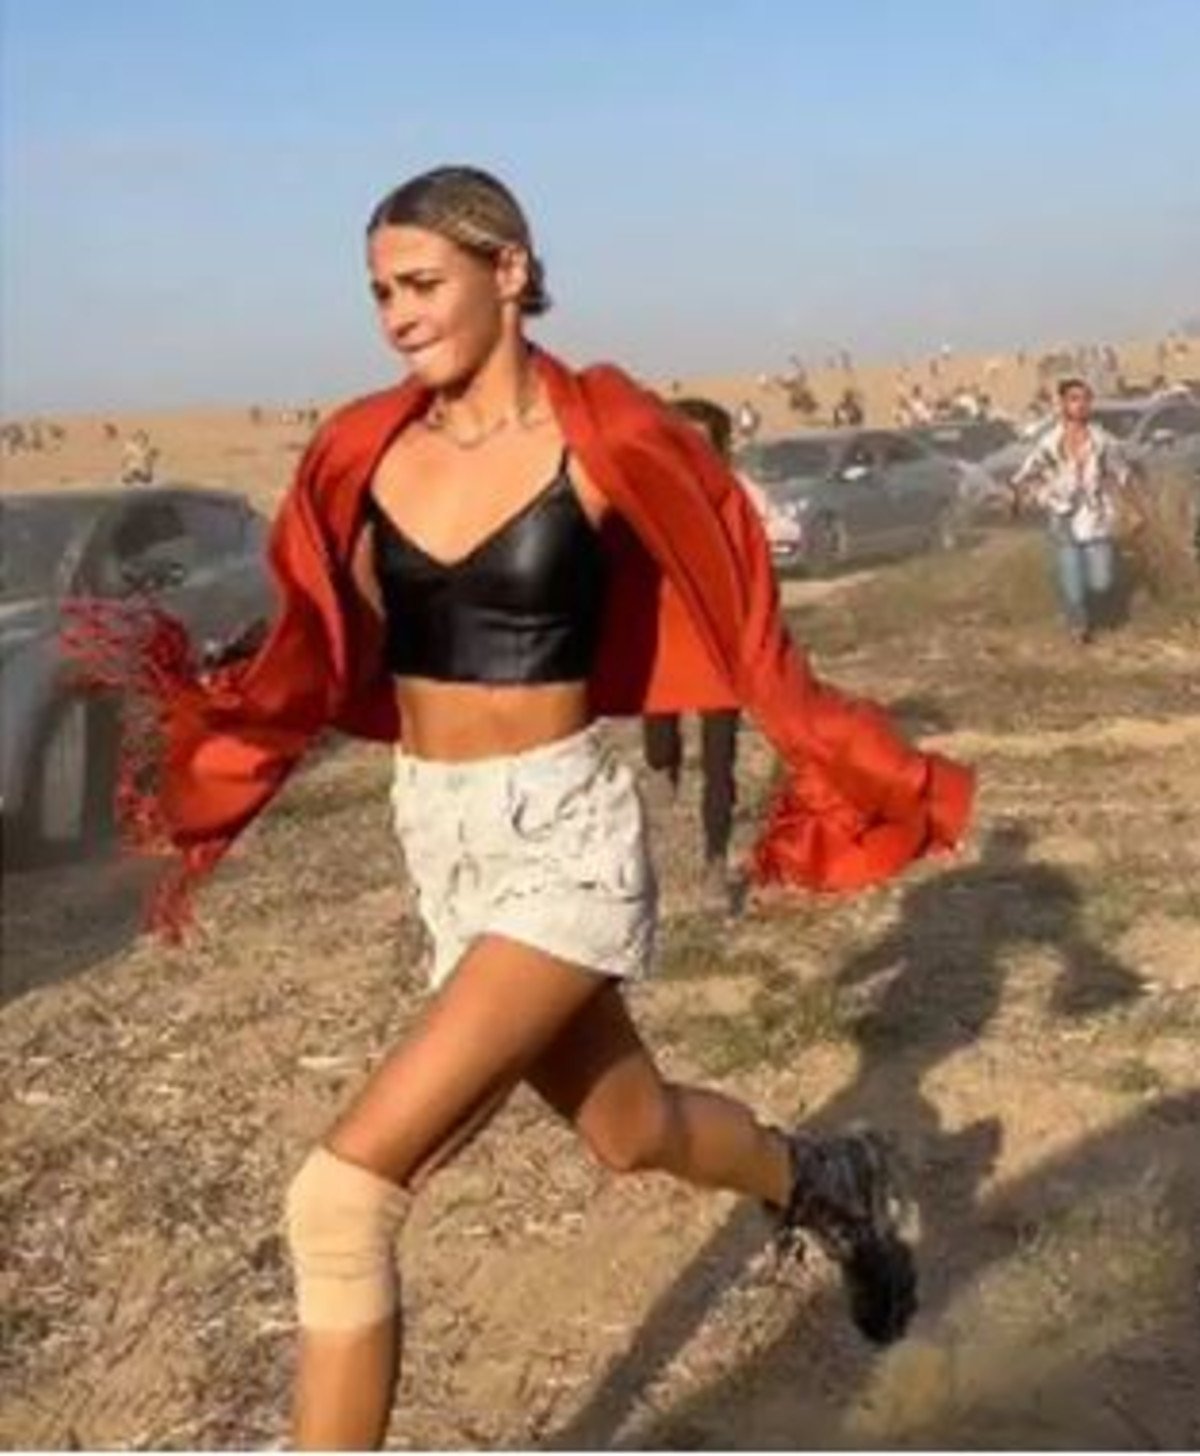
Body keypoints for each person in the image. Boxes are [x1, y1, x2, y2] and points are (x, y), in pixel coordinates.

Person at [65, 166, 973, 1450]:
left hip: (562, 842)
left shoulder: (601, 435)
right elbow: (322, 637)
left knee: (339, 1202)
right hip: (440, 836)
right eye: (380, 292)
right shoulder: (366, 450)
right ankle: (825, 1179)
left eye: (421, 283)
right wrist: (231, 712)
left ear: (510, 270)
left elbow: (733, 593)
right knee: (630, 1129)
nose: (397, 314)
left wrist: (836, 750)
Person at [641, 397, 743, 911]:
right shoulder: (645, 494)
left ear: (719, 448)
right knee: (659, 748)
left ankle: (715, 864)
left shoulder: (734, 499)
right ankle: (666, 778)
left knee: (719, 762)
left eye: (702, 442)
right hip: (662, 640)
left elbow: (753, 571)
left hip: (718, 644)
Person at [1011, 377, 1140, 644]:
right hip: (1062, 518)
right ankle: (1077, 624)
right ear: (1062, 403)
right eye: (1073, 399)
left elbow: (1122, 475)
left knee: (1100, 581)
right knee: (1072, 583)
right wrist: (1019, 501)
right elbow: (1025, 474)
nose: (1080, 405)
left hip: (1095, 519)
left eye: (1085, 399)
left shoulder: (1102, 441)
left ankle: (1094, 611)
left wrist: (1135, 509)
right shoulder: (1049, 443)